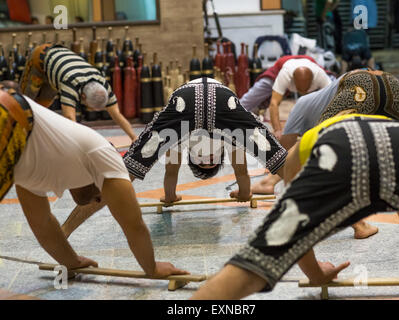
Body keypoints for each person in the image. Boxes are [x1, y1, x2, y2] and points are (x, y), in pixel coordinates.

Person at [191, 113, 399, 300]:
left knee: (251, 268)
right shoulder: (373, 123)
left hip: (340, 148)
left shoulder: (302, 148)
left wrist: (316, 273)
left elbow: (296, 223)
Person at [59, 78, 289, 237]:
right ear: (218, 157)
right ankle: (321, 202)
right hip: (222, 101)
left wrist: (170, 197)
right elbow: (241, 172)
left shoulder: (181, 142)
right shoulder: (228, 139)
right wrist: (245, 193)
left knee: (122, 175)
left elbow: (172, 173)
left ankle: (64, 232)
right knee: (280, 163)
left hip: (187, 102)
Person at [0, 84, 187, 278]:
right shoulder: (105, 155)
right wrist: (152, 268)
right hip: (10, 114)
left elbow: (42, 224)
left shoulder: (34, 167)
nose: (99, 201)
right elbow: (133, 224)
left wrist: (71, 261)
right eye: (103, 195)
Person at [252, 69, 399, 197]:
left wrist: (272, 179)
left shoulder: (300, 105)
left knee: (322, 143)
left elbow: (286, 152)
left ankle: (359, 224)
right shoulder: (323, 93)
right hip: (386, 80)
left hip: (358, 86)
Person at [19, 43, 137, 141]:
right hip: (41, 56)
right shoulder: (70, 83)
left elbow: (116, 114)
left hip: (58, 65)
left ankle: (35, 135)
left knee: (42, 105)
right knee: (24, 102)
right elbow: (70, 118)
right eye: (88, 106)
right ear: (83, 96)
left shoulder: (103, 85)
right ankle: (17, 132)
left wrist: (133, 137)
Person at [240, 55, 331, 139]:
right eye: (300, 89)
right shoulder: (285, 74)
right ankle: (231, 113)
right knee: (249, 99)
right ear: (293, 81)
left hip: (311, 63)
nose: (303, 93)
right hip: (281, 67)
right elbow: (274, 103)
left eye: (306, 90)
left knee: (337, 85)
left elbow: (333, 98)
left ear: (312, 81)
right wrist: (277, 130)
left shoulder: (320, 75)